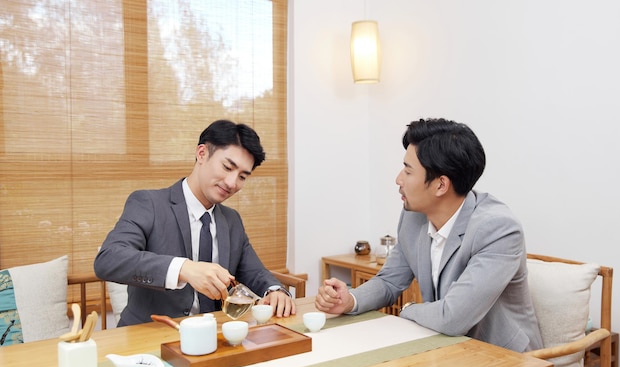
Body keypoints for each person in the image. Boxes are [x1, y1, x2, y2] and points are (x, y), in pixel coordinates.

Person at [315, 118, 542, 352]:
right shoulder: (413, 217)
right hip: (445, 347)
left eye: (408, 170)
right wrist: (350, 300)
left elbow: (453, 317)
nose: (398, 180)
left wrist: (407, 309)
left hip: (506, 361)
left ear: (441, 185)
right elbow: (390, 280)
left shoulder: (498, 229)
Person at [94, 119, 296, 326]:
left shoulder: (231, 220)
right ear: (202, 154)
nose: (232, 183)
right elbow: (108, 259)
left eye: (242, 176)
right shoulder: (149, 203)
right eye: (227, 167)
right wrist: (184, 269)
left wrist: (275, 290)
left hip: (214, 334)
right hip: (151, 335)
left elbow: (254, 272)